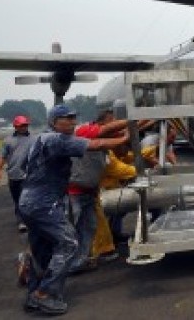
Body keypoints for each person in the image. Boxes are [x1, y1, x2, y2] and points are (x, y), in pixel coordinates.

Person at [18, 104, 129, 315]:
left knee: (42, 249)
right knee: (69, 242)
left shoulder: (40, 139)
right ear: (53, 122)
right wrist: (124, 139)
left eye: (72, 118)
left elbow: (24, 166)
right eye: (65, 119)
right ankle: (46, 293)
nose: (71, 122)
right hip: (43, 203)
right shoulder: (57, 140)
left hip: (29, 201)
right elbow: (96, 143)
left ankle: (34, 295)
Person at [67, 109, 142, 274]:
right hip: (75, 193)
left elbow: (121, 143)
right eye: (111, 121)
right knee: (73, 229)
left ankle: (82, 260)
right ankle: (57, 264)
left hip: (90, 191)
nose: (114, 124)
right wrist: (135, 118)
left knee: (90, 227)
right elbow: (113, 150)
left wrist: (144, 120)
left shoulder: (102, 136)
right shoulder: (84, 131)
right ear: (101, 124)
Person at [0, 115, 34, 232]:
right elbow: (2, 156)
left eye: (25, 125)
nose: (24, 127)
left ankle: (25, 220)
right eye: (21, 125)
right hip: (13, 175)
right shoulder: (8, 140)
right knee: (17, 199)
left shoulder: (34, 139)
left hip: (29, 175)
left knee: (26, 198)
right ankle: (22, 219)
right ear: (15, 126)